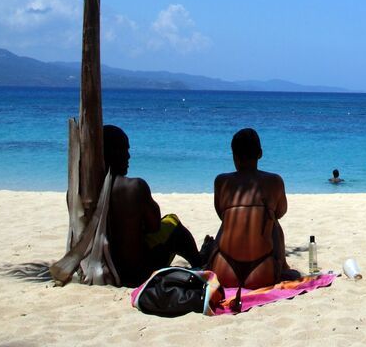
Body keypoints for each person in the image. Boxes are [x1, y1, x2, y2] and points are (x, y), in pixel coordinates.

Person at [103, 124, 204, 287]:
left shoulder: (81, 193)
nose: (128, 156)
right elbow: (154, 225)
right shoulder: (134, 187)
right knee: (172, 223)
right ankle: (199, 262)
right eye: (124, 150)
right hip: (138, 273)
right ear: (111, 152)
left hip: (104, 269)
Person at [209, 128, 299, 290]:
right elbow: (280, 212)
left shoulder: (221, 181)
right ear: (260, 154)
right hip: (262, 272)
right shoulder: (274, 181)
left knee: (230, 218)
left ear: (234, 155)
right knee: (273, 220)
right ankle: (283, 266)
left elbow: (222, 215)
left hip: (224, 270)